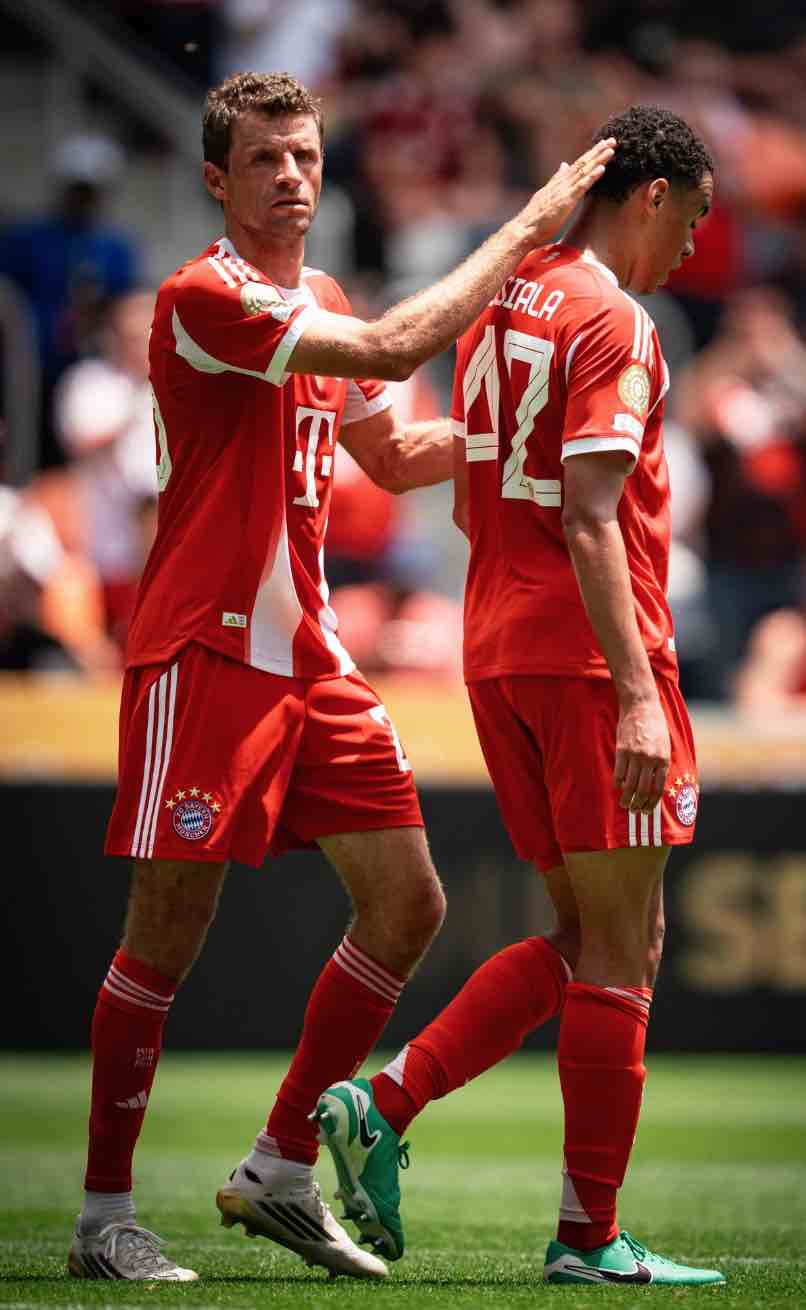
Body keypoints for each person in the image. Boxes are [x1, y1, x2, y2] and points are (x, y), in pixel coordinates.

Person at [65, 70, 614, 1283]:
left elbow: (395, 451)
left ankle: (279, 1162)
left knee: (408, 902)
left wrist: (528, 429)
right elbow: (391, 345)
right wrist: (526, 231)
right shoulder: (202, 296)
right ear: (215, 180)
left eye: (306, 155)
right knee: (165, 934)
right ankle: (104, 1215)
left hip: (310, 657)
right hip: (205, 650)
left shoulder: (317, 293)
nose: (292, 176)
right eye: (266, 159)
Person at [315, 105, 727, 1287]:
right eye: (690, 219)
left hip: (496, 647)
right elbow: (591, 517)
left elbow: (473, 470)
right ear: (649, 195)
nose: (691, 247)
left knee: (586, 931)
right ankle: (587, 1234)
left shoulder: (500, 301)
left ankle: (385, 1102)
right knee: (625, 944)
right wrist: (639, 693)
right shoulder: (615, 318)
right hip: (592, 659)